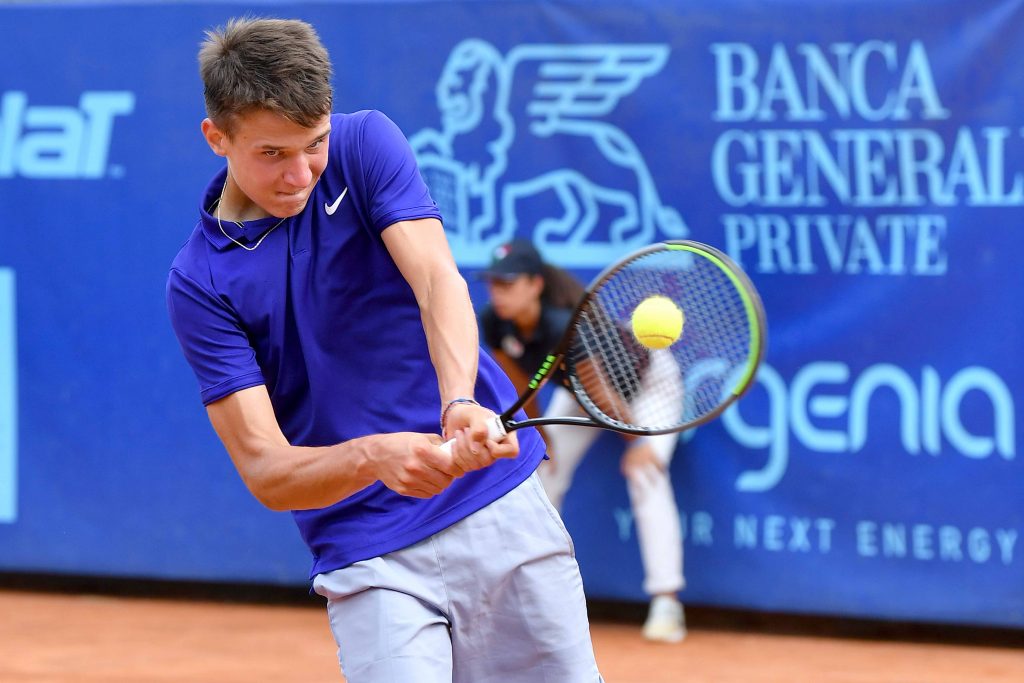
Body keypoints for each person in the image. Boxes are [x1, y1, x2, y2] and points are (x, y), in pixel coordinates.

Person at [166, 18, 603, 682]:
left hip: (497, 506)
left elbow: (435, 278)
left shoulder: (366, 143)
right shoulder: (199, 283)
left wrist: (458, 397)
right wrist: (374, 456)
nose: (299, 173)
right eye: (272, 154)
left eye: (313, 145)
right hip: (368, 553)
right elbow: (265, 469)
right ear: (216, 137)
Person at [478, 240, 688, 643]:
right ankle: (525, 601)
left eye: (508, 283)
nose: (497, 293)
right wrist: (538, 439)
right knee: (540, 475)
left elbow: (605, 403)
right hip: (583, 394)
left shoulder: (565, 329)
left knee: (645, 475)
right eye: (493, 283)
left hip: (648, 385)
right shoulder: (496, 322)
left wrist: (640, 443)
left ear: (535, 284)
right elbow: (523, 388)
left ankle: (667, 603)